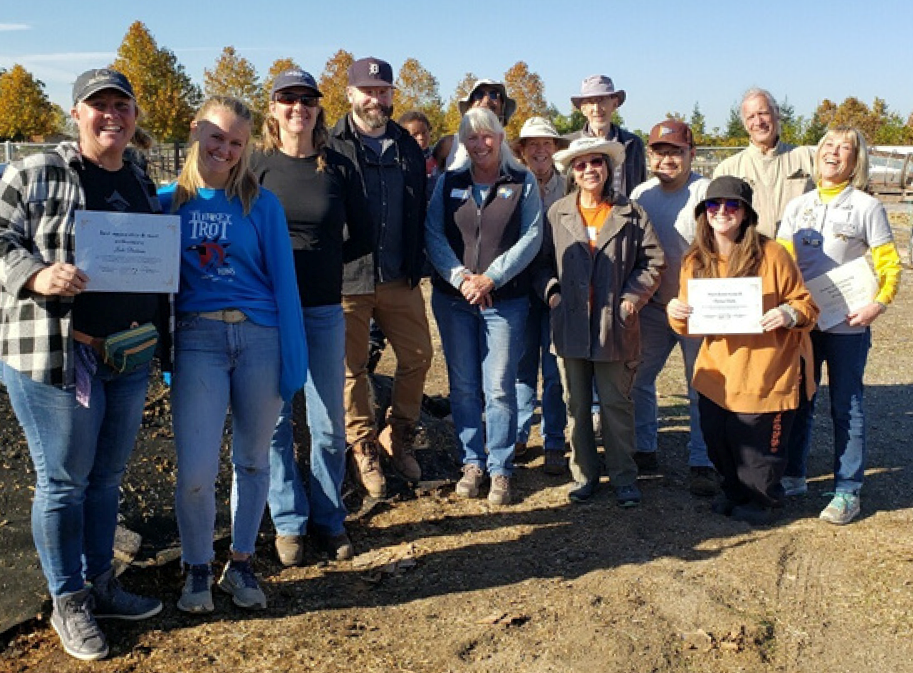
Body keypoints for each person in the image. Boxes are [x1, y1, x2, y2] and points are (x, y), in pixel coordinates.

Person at [0, 68, 166, 661]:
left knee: (105, 478)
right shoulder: (35, 169)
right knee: (63, 482)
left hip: (126, 352)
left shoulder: (142, 176)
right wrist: (36, 275)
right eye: (98, 105)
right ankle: (67, 599)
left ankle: (101, 582)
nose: (111, 116)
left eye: (121, 104)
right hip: (55, 354)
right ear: (76, 113)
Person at [160, 96, 307, 613]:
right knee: (197, 469)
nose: (224, 149)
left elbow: (284, 285)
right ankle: (196, 568)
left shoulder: (259, 204)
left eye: (236, 142)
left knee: (253, 459)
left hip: (260, 338)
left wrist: (294, 357)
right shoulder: (166, 202)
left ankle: (240, 564)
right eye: (216, 136)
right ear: (196, 130)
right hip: (198, 340)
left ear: (247, 148)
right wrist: (161, 357)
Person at [252, 69, 373, 566]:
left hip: (325, 310)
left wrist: (323, 262)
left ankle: (329, 516)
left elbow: (363, 234)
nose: (298, 107)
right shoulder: (255, 166)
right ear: (273, 108)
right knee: (277, 423)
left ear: (319, 109)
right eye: (288, 99)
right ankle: (288, 522)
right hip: (269, 313)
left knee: (328, 425)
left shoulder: (338, 166)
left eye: (307, 99)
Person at [667, 176, 818, 525]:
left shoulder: (773, 254)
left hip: (765, 371)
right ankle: (732, 491)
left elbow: (807, 307)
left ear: (746, 213)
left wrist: (788, 313)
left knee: (758, 452)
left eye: (731, 205)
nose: (722, 212)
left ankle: (761, 500)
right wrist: (676, 314)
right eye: (714, 205)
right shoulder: (696, 260)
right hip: (718, 373)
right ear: (703, 213)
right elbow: (689, 322)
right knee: (719, 440)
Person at [777, 126, 902, 524]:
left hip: (849, 324)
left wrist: (877, 306)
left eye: (844, 148)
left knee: (846, 404)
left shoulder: (867, 207)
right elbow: (781, 260)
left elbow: (889, 265)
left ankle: (848, 490)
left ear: (855, 160)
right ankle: (793, 475)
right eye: (828, 145)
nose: (834, 153)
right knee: (799, 400)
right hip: (805, 324)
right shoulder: (800, 205)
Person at [537, 137, 665, 507]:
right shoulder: (557, 213)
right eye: (581, 165)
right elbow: (542, 263)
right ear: (572, 172)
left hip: (615, 325)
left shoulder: (631, 212)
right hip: (570, 325)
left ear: (608, 168)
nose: (590, 170)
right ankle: (585, 476)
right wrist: (552, 293)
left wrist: (631, 299)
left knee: (615, 403)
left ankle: (624, 477)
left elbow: (653, 261)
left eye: (597, 162)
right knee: (575, 405)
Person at [426, 107, 543, 506]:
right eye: (471, 137)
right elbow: (433, 235)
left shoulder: (522, 182)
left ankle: (501, 468)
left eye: (487, 136)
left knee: (499, 388)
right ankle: (472, 462)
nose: (480, 144)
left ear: (501, 137)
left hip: (505, 302)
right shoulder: (448, 182)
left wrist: (492, 277)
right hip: (455, 301)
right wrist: (461, 278)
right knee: (463, 386)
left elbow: (531, 237)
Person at [330, 57, 432, 498]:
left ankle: (400, 433)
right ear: (350, 94)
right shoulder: (328, 143)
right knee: (351, 369)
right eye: (367, 90)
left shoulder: (407, 147)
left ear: (392, 94)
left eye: (383, 90)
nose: (376, 98)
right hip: (349, 277)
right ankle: (362, 445)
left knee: (418, 356)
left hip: (398, 276)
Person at [629, 120, 716, 495]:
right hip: (653, 304)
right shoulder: (642, 194)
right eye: (660, 151)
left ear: (691, 154)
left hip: (697, 307)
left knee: (701, 386)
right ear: (650, 155)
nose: (667, 159)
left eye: (675, 152)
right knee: (637, 379)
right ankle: (644, 447)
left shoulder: (706, 193)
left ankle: (703, 460)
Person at [511, 117, 570, 474]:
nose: (540, 150)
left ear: (555, 149)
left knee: (554, 369)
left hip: (556, 289)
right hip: (518, 286)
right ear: (521, 150)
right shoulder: (513, 185)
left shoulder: (571, 186)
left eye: (546, 143)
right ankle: (518, 433)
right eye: (532, 144)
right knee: (521, 365)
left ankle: (553, 440)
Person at [713, 88, 815, 238]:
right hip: (751, 255)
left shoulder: (807, 158)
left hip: (800, 254)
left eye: (763, 113)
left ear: (777, 114)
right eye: (751, 117)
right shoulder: (727, 169)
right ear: (745, 124)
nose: (758, 122)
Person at [566, 75, 646, 197]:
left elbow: (641, 188)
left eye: (602, 100)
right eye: (591, 102)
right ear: (583, 109)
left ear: (615, 104)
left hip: (625, 214)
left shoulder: (633, 144)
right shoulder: (568, 144)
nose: (597, 109)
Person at [432, 79, 518, 173]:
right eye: (479, 94)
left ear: (502, 107)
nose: (487, 100)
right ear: (470, 105)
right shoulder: (449, 144)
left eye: (494, 94)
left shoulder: (513, 151)